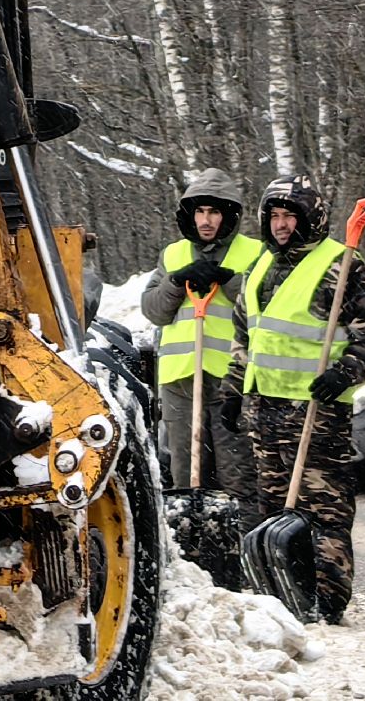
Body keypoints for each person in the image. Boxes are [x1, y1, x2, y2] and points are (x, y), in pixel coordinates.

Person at [220, 173, 365, 625]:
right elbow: (246, 336)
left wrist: (345, 373)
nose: (280, 225)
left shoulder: (340, 265)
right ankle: (282, 591)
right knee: (274, 507)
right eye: (274, 216)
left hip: (316, 410)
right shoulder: (260, 266)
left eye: (289, 217)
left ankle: (327, 599)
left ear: (310, 219)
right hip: (265, 410)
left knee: (323, 508)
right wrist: (234, 388)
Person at [140, 169, 263, 526]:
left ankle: (239, 542)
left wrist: (230, 281)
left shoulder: (252, 252)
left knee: (236, 473)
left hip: (231, 381)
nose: (206, 221)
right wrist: (176, 282)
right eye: (199, 212)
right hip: (181, 381)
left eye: (214, 212)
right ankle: (193, 544)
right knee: (187, 474)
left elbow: (267, 305)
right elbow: (154, 310)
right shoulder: (174, 254)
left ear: (228, 215)